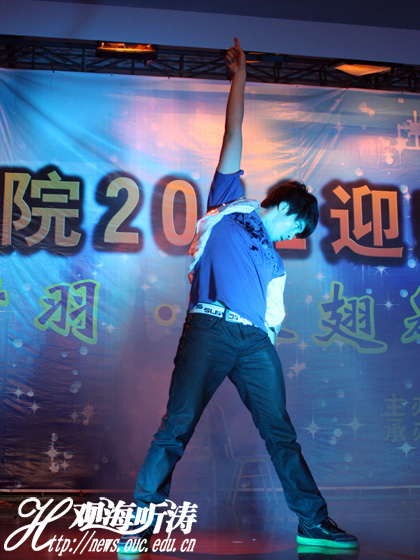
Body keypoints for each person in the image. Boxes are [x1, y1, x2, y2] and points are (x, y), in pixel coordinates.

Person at [117, 38, 359, 553]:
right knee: (176, 427)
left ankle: (313, 523)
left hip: (253, 343)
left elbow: (272, 316)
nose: (293, 238)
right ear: (286, 208)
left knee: (281, 433)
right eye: (297, 228)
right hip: (209, 327)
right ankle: (139, 524)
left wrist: (263, 340)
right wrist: (241, 77)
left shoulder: (275, 263)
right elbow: (233, 133)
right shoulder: (231, 206)